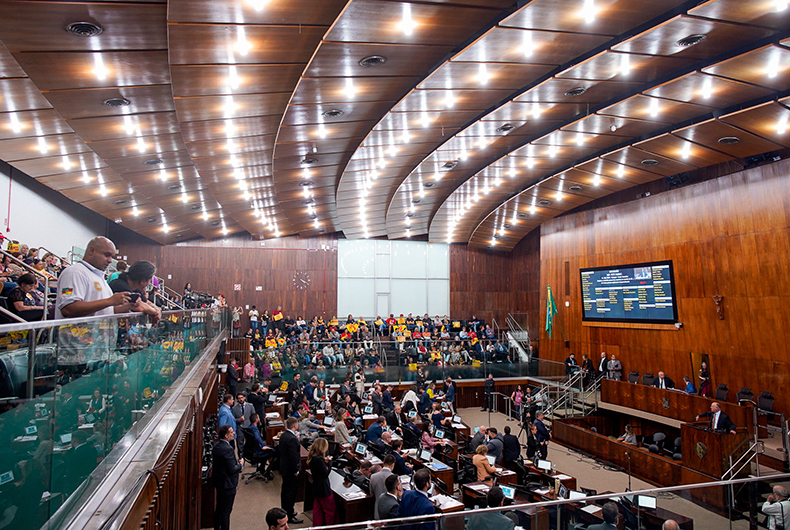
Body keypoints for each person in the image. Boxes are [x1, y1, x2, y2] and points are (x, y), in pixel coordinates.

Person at [55, 236, 139, 319]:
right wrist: (110, 301)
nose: (110, 260)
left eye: (112, 257)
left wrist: (129, 306)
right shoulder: (74, 272)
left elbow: (105, 312)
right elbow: (68, 309)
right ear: (91, 251)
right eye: (107, 255)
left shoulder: (98, 277)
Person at [212, 425, 243, 530]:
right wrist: (241, 465)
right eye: (231, 432)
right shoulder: (228, 449)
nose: (233, 433)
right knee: (226, 512)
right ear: (226, 436)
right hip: (228, 485)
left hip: (219, 483)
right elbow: (232, 469)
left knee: (219, 509)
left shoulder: (216, 446)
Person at [307, 438, 336, 526]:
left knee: (317, 511)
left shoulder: (313, 458)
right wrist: (330, 463)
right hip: (324, 489)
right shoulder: (319, 460)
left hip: (316, 487)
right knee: (330, 511)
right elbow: (325, 473)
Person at [279, 417, 303, 524]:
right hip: (291, 470)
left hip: (284, 468)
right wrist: (296, 470)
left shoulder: (284, 435)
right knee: (290, 493)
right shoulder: (292, 439)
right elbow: (293, 457)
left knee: (285, 492)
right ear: (295, 425)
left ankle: (286, 511)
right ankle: (289, 514)